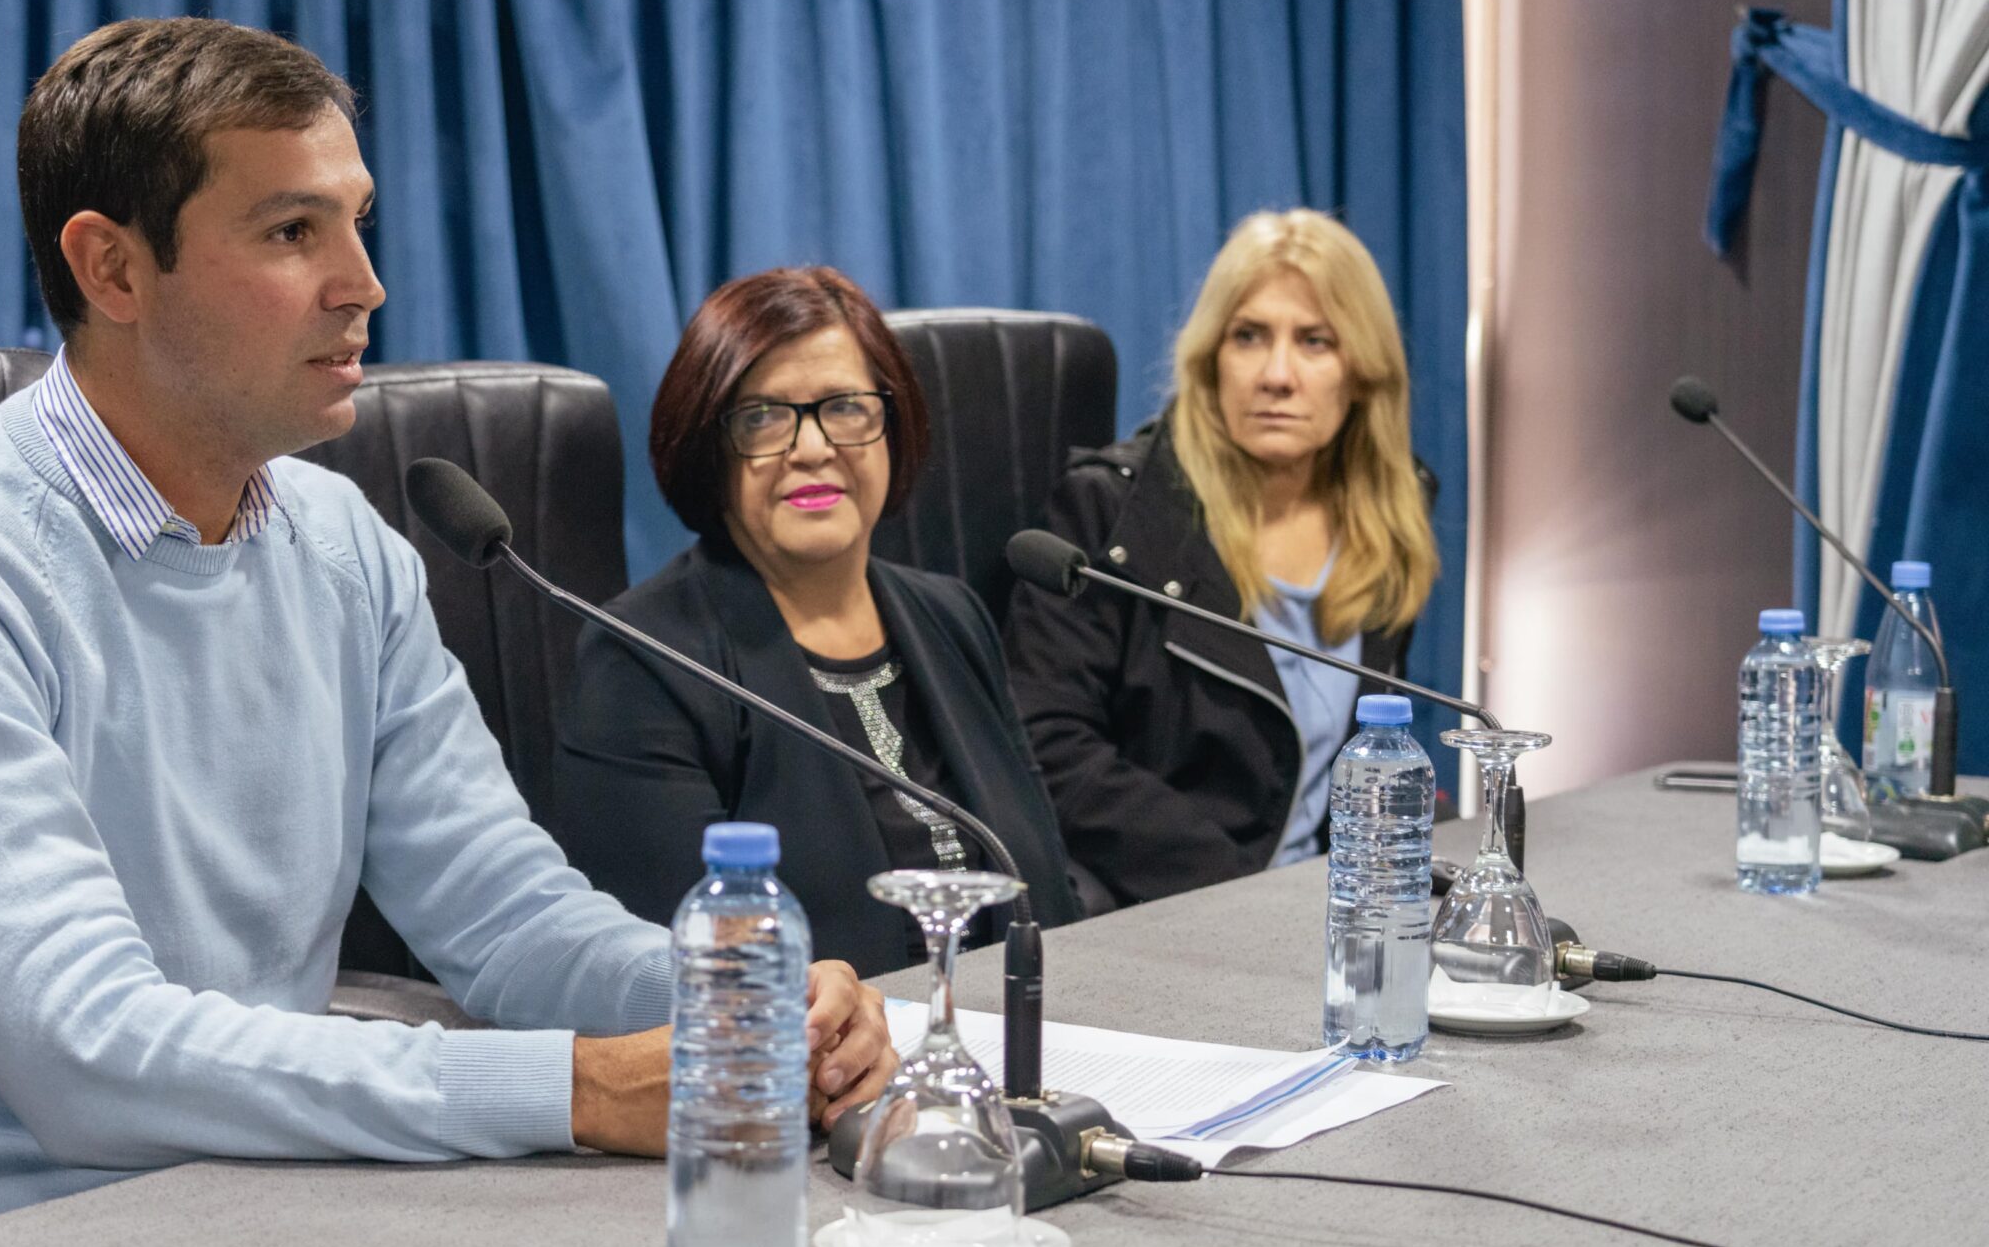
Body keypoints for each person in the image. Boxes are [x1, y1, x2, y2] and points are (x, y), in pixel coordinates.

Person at [0, 20, 893, 1247]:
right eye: (293, 229)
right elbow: (83, 1052)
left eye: (355, 221)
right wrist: (580, 1087)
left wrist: (726, 1000)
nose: (365, 284)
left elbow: (500, 910)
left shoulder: (342, 545)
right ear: (111, 267)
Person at [550, 267, 1086, 978]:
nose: (810, 448)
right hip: (803, 1070)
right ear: (710, 450)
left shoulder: (952, 616)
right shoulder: (645, 659)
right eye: (763, 416)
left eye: (844, 406)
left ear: (893, 425)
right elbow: (679, 970)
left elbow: (1046, 892)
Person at [1005, 210, 1440, 908]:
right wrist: (1245, 898)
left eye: (1315, 342)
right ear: (1211, 361)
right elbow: (1046, 746)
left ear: (1361, 373)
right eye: (1249, 337)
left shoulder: (1389, 517)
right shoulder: (1109, 514)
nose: (1277, 374)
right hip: (1168, 908)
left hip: (1335, 910)